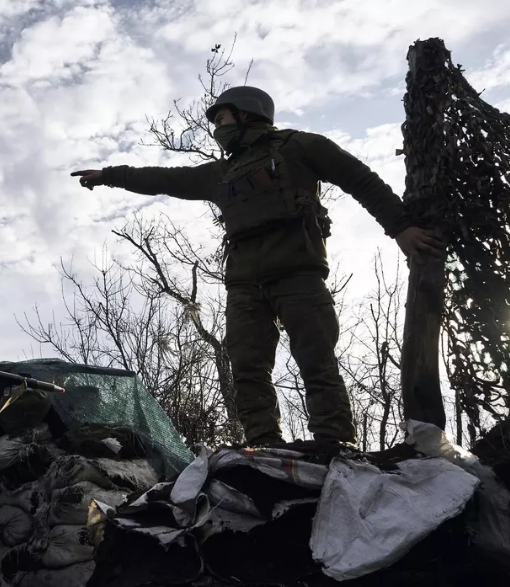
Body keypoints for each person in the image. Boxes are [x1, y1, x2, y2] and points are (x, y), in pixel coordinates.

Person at [71, 86, 445, 447]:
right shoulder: (220, 174)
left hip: (298, 275)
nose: (219, 128)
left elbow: (361, 180)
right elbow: (162, 178)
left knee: (317, 361)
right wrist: (110, 176)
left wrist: (400, 228)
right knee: (247, 368)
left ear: (247, 113)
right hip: (244, 285)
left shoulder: (299, 146)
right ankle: (263, 446)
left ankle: (335, 443)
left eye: (223, 117)